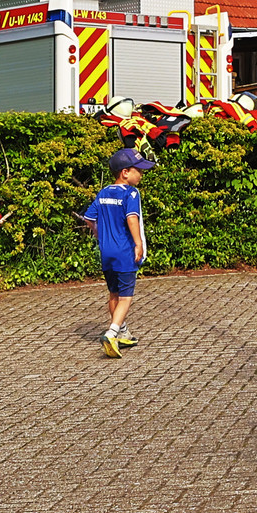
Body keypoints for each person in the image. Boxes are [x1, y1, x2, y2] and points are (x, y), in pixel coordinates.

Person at [84, 147, 154, 358]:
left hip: (106, 252)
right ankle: (112, 333)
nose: (141, 175)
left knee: (113, 293)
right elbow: (132, 218)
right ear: (125, 172)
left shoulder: (104, 192)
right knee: (126, 297)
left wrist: (99, 234)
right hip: (125, 251)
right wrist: (138, 243)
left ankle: (122, 331)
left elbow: (89, 218)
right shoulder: (131, 193)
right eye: (138, 170)